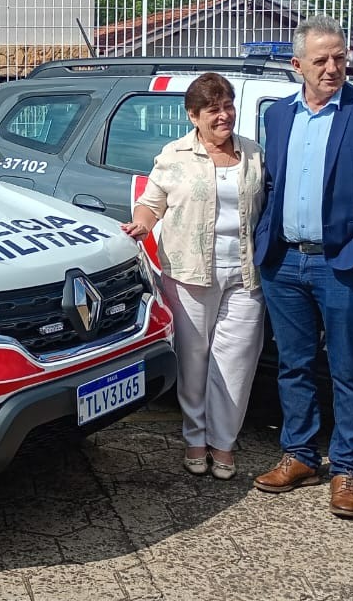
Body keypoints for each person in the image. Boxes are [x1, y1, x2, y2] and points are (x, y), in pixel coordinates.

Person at [251, 16, 353, 519]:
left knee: (349, 370)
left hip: (343, 265)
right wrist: (265, 243)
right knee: (294, 366)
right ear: (297, 65)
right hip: (284, 263)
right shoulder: (278, 116)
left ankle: (347, 469)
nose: (333, 67)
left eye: (340, 57)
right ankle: (300, 455)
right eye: (320, 59)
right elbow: (272, 185)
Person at [121, 72, 266, 481]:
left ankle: (223, 443)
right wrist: (141, 226)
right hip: (188, 274)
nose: (224, 116)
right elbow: (151, 204)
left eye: (228, 106)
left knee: (235, 365)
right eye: (212, 110)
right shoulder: (174, 155)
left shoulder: (253, 154)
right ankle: (195, 439)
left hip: (244, 274)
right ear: (193, 116)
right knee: (195, 360)